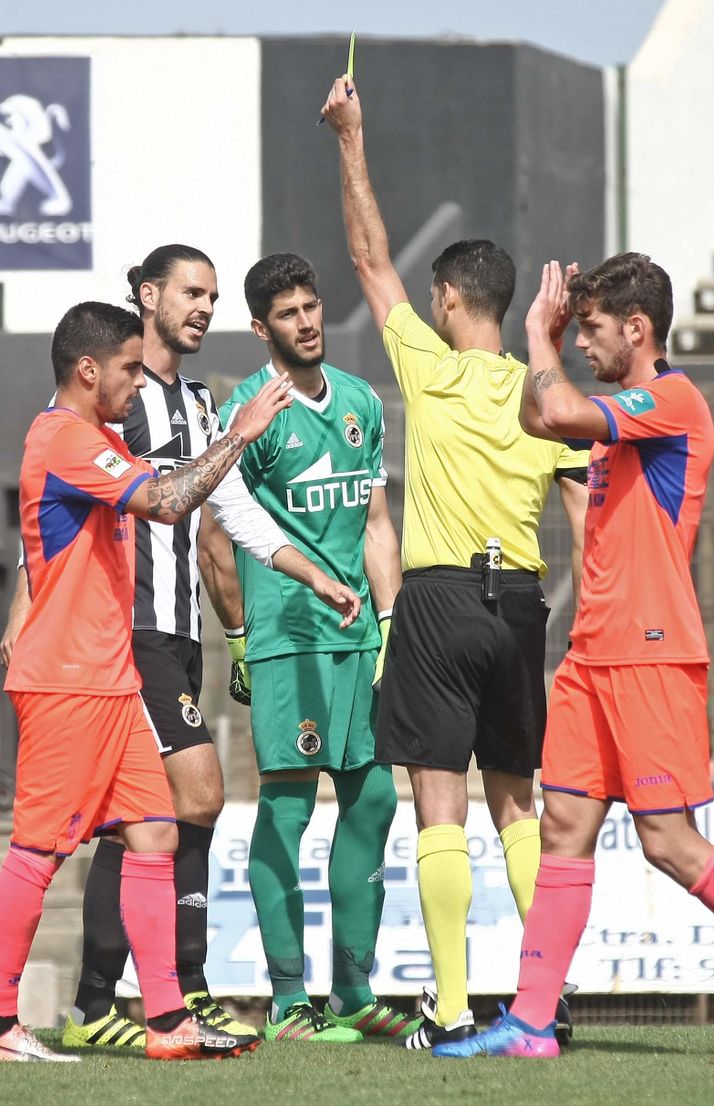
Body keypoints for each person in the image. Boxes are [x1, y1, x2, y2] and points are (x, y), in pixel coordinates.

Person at [434, 253, 714, 1060]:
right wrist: (548, 346)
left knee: (667, 841)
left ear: (638, 328)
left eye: (591, 330)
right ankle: (529, 1023)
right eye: (576, 331)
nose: (581, 343)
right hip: (595, 653)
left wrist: (534, 335)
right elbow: (536, 416)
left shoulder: (673, 400)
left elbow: (554, 413)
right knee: (562, 827)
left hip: (654, 653)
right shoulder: (622, 405)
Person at [0, 245, 360, 1051]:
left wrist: (313, 574)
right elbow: (49, 524)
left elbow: (234, 515)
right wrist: (22, 609)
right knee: (191, 795)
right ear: (146, 294)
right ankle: (145, 994)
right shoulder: (93, 409)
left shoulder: (198, 406)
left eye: (213, 296)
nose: (203, 307)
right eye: (191, 292)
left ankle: (138, 1004)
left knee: (149, 821)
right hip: (115, 639)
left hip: (175, 632)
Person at [320, 76, 588, 1051]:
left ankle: (446, 1006)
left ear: (446, 299)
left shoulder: (428, 368)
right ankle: (540, 1000)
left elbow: (363, 253)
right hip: (519, 602)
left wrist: (351, 135)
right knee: (517, 802)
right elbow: (583, 509)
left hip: (435, 599)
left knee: (438, 800)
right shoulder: (544, 391)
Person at [199, 252, 411, 1042]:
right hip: (287, 636)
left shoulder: (359, 401)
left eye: (312, 306)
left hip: (358, 637)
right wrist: (239, 638)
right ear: (262, 329)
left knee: (377, 797)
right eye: (288, 313)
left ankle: (354, 990)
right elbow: (215, 539)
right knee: (287, 806)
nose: (308, 321)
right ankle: (291, 1000)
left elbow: (376, 523)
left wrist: (392, 621)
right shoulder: (250, 412)